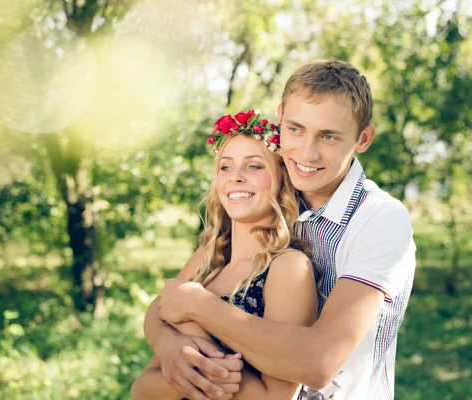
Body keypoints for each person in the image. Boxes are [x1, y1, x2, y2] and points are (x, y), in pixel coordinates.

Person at [153, 59, 416, 400]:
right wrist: (168, 344)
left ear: (363, 138)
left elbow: (319, 362)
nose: (307, 152)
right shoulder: (271, 197)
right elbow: (167, 302)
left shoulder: (380, 219)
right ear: (280, 119)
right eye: (295, 129)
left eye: (329, 136)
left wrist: (200, 308)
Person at [131, 111, 321, 400]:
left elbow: (275, 398)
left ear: (282, 179)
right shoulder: (207, 260)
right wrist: (172, 351)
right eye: (225, 167)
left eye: (254, 166)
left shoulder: (288, 267)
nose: (236, 178)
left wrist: (194, 327)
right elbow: (142, 389)